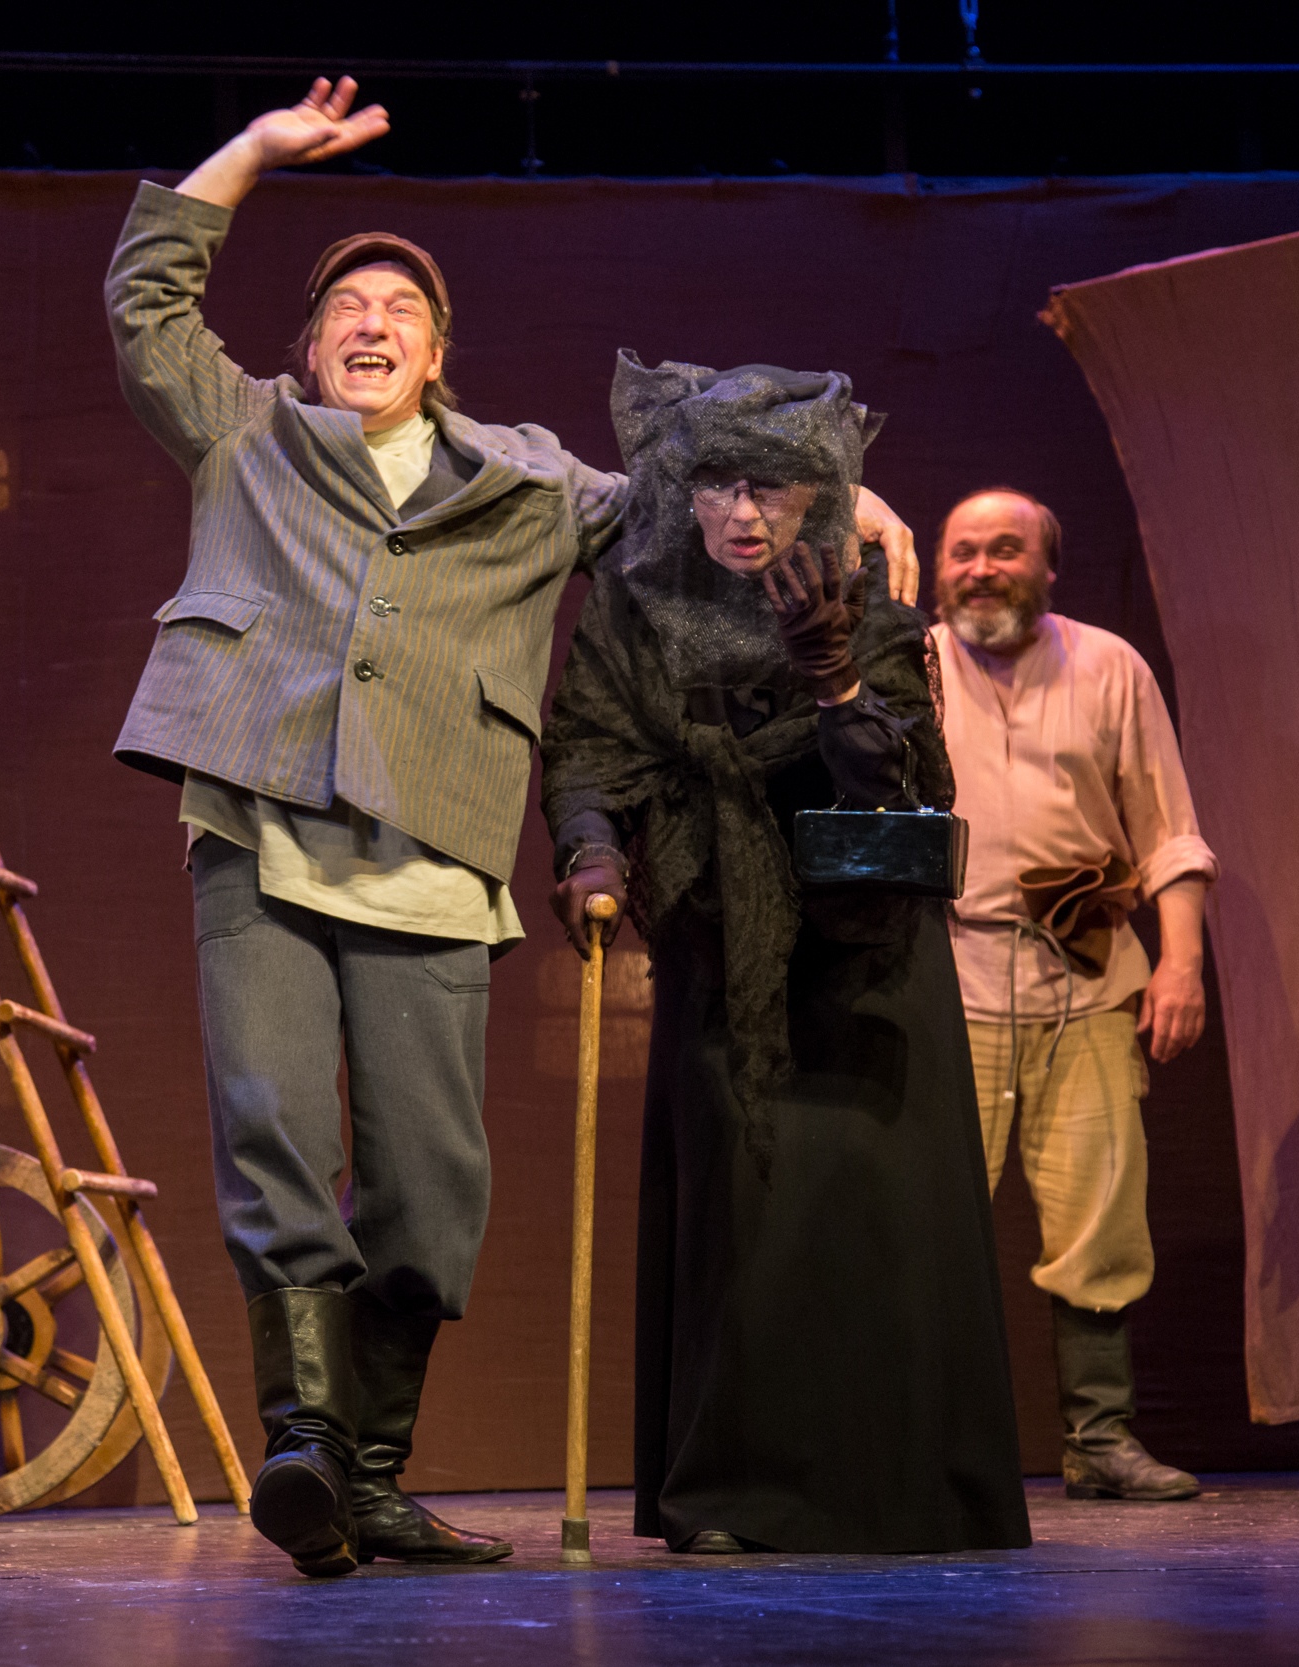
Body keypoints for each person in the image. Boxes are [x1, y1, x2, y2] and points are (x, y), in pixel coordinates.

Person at [105, 79, 923, 1577]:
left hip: (434, 842)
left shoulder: (535, 480)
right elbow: (147, 299)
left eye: (400, 310)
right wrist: (254, 153)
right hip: (261, 823)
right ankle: (305, 1442)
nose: (371, 323)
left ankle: (365, 1476)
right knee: (274, 1135)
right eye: (345, 308)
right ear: (308, 347)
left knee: (429, 1192)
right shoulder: (247, 434)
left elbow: (689, 501)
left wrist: (834, 494)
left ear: (438, 354)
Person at [540, 355, 1029, 1555]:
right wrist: (591, 846)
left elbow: (902, 786)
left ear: (813, 488)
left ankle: (902, 1489)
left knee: (871, 1216)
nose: (743, 510)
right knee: (744, 1221)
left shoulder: (869, 600)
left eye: (768, 483)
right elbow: (587, 745)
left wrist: (836, 675)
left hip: (860, 957)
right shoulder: (635, 607)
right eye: (717, 483)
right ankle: (732, 1492)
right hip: (721, 941)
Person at [933, 487, 1216, 1503]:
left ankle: (1099, 1437)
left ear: (1047, 567)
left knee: (1101, 1216)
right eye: (962, 551)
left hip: (1086, 980)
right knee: (933, 1221)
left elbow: (1167, 829)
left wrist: (1179, 962)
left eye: (1004, 550)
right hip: (949, 982)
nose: (980, 569)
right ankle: (929, 1446)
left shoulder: (1108, 666)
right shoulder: (909, 666)